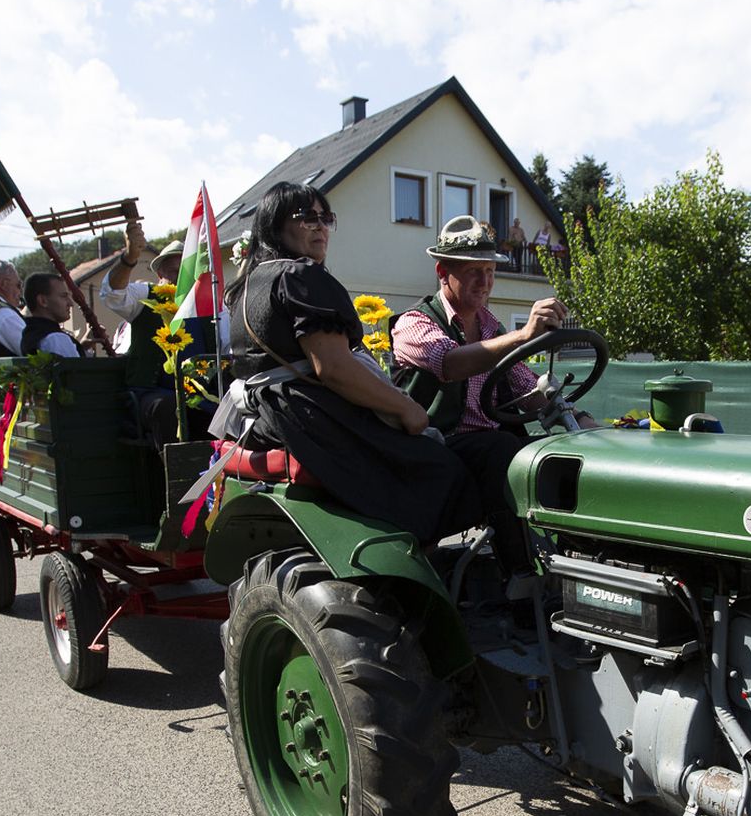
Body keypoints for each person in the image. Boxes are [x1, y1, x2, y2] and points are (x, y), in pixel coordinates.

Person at [221, 181, 477, 544]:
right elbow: (334, 369)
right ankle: (436, 566)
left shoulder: (247, 284)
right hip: (307, 415)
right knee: (442, 468)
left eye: (326, 218)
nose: (320, 227)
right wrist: (406, 408)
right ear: (275, 224)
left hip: (269, 417)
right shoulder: (299, 276)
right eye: (307, 217)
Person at [390, 215, 567, 572]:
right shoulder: (415, 323)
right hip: (433, 444)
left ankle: (571, 567)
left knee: (559, 456)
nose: (484, 282)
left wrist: (576, 419)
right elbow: (450, 363)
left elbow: (526, 386)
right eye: (473, 271)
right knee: (501, 449)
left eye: (489, 271)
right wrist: (523, 335)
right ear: (443, 272)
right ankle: (521, 575)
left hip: (485, 445)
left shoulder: (490, 326)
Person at [99, 219, 192, 449]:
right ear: (160, 274)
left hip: (194, 392)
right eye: (174, 272)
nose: (181, 279)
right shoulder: (147, 295)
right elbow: (113, 293)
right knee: (167, 406)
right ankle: (174, 468)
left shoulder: (207, 304)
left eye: (186, 272)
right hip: (148, 393)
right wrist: (130, 256)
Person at [19, 272, 83, 356]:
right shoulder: (55, 338)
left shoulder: (30, 335)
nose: (71, 303)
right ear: (43, 301)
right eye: (63, 296)